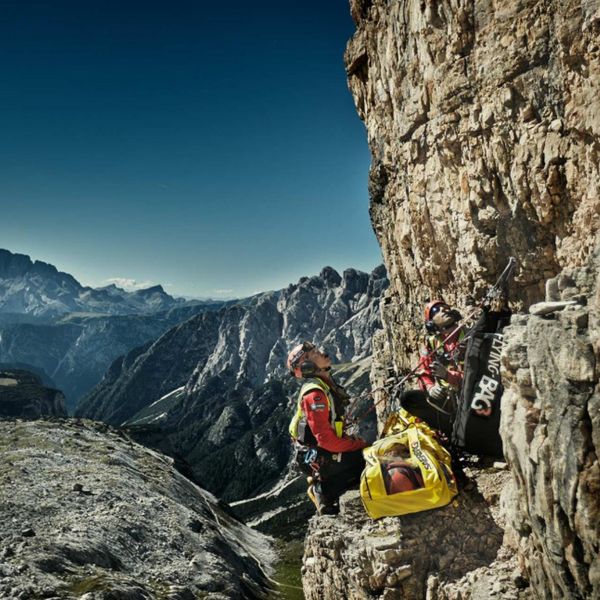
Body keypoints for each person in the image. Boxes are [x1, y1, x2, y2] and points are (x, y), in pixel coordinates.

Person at [287, 341, 368, 515]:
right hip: (317, 455)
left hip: (321, 451)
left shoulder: (324, 385)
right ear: (308, 366)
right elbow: (326, 440)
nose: (322, 352)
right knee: (366, 461)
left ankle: (327, 482)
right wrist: (358, 445)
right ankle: (324, 490)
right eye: (315, 353)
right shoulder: (315, 394)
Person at [400, 300, 465, 437]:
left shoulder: (466, 335)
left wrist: (448, 376)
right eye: (437, 311)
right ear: (431, 322)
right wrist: (430, 387)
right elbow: (423, 372)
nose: (444, 310)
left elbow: (475, 374)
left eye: (446, 307)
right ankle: (448, 429)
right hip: (443, 398)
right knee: (408, 398)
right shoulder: (431, 343)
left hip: (466, 394)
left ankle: (458, 431)